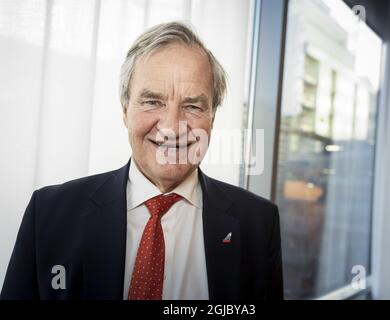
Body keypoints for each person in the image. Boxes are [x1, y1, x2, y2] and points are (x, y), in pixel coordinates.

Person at [1, 22, 283, 300]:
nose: (173, 127)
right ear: (125, 110)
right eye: (152, 101)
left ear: (212, 118)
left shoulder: (258, 224)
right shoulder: (49, 214)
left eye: (193, 106)